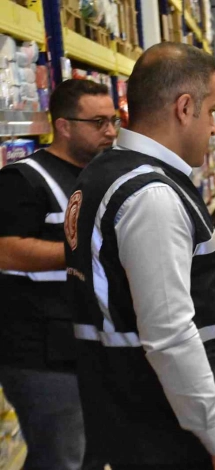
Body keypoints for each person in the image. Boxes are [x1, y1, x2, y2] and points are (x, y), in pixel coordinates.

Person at [64, 43, 215, 470]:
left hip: (134, 417)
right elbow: (170, 335)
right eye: (211, 111)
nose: (214, 127)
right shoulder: (150, 195)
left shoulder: (106, 171)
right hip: (165, 432)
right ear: (184, 108)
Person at [0, 79, 116, 470]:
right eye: (98, 122)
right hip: (40, 354)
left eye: (113, 121)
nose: (110, 131)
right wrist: (85, 253)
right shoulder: (23, 179)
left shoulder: (100, 176)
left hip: (88, 345)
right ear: (63, 126)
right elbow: (6, 249)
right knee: (61, 457)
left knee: (87, 455)